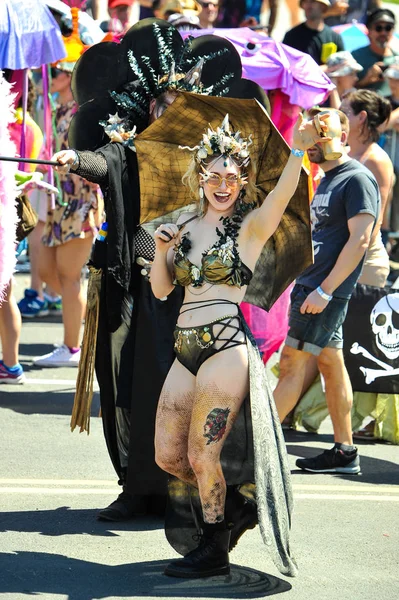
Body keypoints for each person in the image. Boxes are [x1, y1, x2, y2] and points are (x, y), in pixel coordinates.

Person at [52, 19, 272, 522]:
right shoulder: (131, 148)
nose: (173, 109)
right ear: (150, 105)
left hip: (190, 300)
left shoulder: (216, 167)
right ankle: (137, 487)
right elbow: (104, 161)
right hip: (133, 288)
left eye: (183, 102)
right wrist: (75, 159)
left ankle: (200, 498)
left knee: (185, 399)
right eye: (164, 101)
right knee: (130, 388)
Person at [149, 110, 329, 577]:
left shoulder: (250, 227)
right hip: (184, 344)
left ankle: (213, 548)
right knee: (167, 454)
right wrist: (162, 251)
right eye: (215, 175)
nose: (223, 184)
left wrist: (298, 148)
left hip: (225, 348)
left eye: (232, 176)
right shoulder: (184, 226)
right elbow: (161, 291)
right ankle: (227, 513)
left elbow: (285, 195)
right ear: (201, 176)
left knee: (200, 453)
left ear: (243, 180)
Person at [273, 108, 380, 473]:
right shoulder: (328, 178)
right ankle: (344, 451)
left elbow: (362, 238)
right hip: (312, 287)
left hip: (322, 293)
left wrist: (326, 290)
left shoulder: (356, 179)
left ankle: (254, 448)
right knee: (331, 366)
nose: (313, 146)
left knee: (292, 364)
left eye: (320, 138)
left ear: (342, 136)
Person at [33, 59, 103, 367]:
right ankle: (91, 322)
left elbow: (95, 155)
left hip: (81, 200)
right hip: (56, 201)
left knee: (69, 275)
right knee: (47, 271)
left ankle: (72, 346)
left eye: (55, 72)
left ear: (70, 76)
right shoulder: (52, 108)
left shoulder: (81, 112)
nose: (48, 77)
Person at [282, 0, 344, 69]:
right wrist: (324, 69)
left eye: (312, 1)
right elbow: (286, 67)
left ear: (323, 6)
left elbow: (343, 65)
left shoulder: (334, 38)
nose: (308, 6)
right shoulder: (291, 36)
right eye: (305, 2)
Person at [353, 8, 399, 97]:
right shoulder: (355, 57)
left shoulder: (397, 58)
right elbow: (344, 91)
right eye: (378, 28)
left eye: (388, 28)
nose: (383, 32)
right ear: (369, 31)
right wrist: (365, 81)